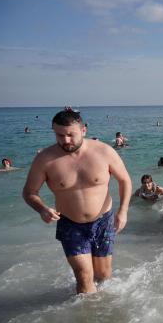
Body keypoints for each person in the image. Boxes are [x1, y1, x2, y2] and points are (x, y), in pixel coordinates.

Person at [22, 109, 132, 294]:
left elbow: (125, 181)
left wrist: (123, 211)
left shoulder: (104, 151)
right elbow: (29, 192)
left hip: (103, 221)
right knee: (83, 275)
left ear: (83, 130)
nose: (65, 140)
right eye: (59, 135)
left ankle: (106, 307)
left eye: (70, 135)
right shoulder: (45, 159)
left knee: (103, 274)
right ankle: (90, 318)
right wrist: (41, 209)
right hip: (70, 224)